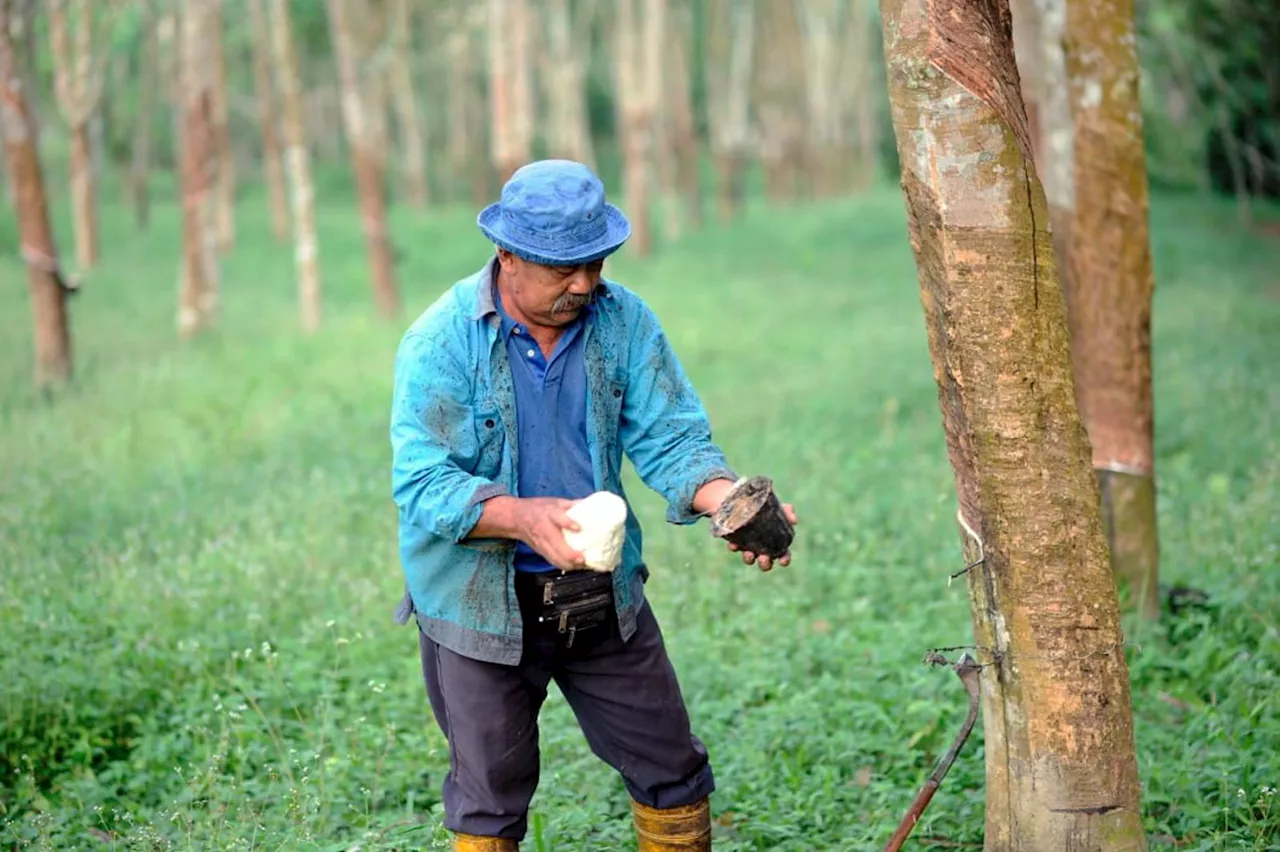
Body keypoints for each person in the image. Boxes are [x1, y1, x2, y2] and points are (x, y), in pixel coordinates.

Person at [389, 159, 797, 851]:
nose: (585, 283)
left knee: (672, 769)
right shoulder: (441, 340)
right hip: (478, 600)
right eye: (562, 269)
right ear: (507, 256)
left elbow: (672, 438)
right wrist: (523, 518)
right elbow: (422, 484)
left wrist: (727, 500)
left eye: (595, 263)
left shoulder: (624, 322)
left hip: (600, 591)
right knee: (488, 800)